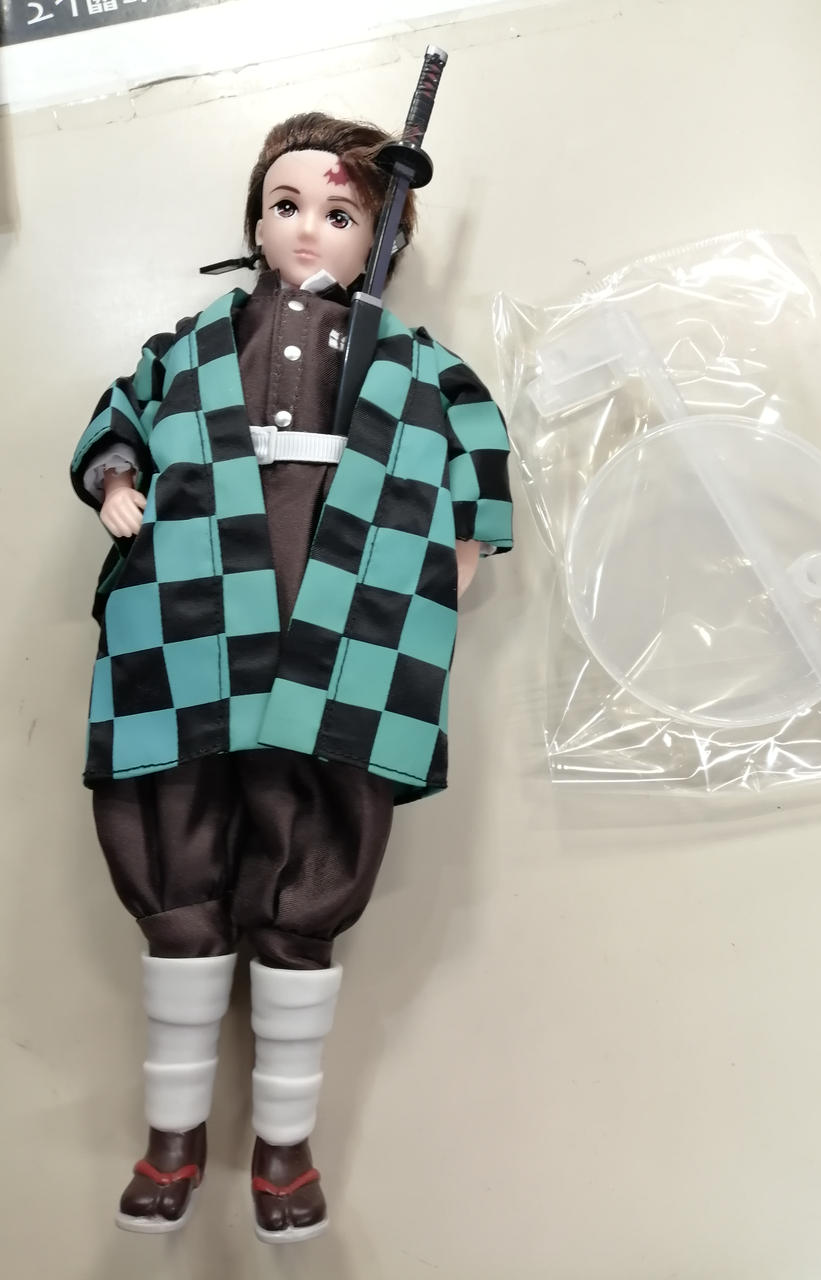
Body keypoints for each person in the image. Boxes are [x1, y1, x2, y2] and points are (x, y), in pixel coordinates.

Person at [70, 110, 513, 1242]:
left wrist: (466, 542)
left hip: (344, 618)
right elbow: (123, 409)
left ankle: (283, 1143)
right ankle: (172, 1137)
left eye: (341, 213)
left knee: (313, 831)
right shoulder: (191, 344)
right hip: (192, 614)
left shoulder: (414, 363)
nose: (310, 229)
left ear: (381, 237)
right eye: (286, 205)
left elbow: (476, 439)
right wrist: (117, 477)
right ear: (255, 223)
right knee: (176, 818)